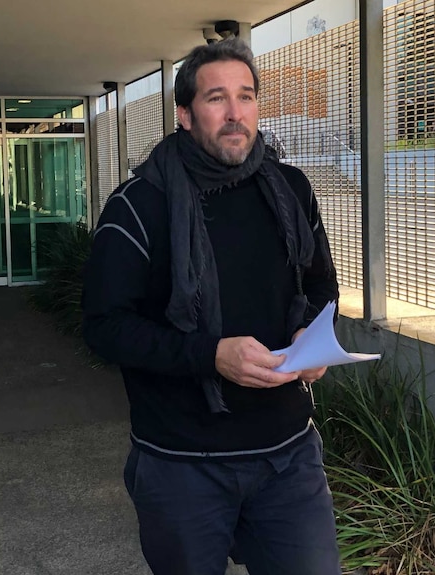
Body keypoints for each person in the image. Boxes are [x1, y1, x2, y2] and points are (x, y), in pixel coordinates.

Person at [82, 38, 341, 575]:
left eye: (246, 97)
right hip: (182, 464)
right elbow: (105, 327)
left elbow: (322, 288)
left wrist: (310, 341)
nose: (234, 113)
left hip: (288, 455)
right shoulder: (138, 207)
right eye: (216, 98)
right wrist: (209, 355)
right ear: (184, 114)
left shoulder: (291, 189)